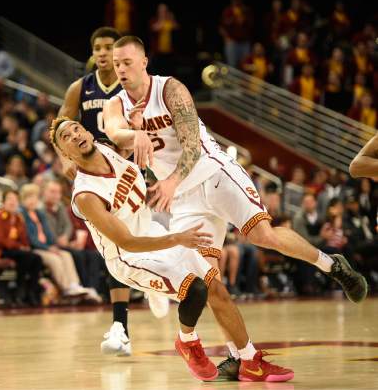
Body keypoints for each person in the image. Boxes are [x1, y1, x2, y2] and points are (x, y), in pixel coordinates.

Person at [103, 35, 368, 378]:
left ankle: (332, 265)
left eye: (127, 62)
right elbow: (114, 131)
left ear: (143, 62)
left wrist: (170, 179)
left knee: (263, 236)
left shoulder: (170, 89)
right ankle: (241, 357)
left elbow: (192, 145)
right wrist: (133, 133)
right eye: (116, 64)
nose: (121, 69)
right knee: (209, 281)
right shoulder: (116, 104)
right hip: (183, 200)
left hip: (214, 174)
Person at [50, 117, 294, 382]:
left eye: (76, 129)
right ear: (65, 154)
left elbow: (136, 148)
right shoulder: (86, 195)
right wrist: (177, 238)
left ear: (87, 132)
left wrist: (138, 130)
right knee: (195, 289)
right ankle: (187, 341)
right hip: (128, 257)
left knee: (216, 288)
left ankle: (250, 361)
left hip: (153, 231)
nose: (74, 135)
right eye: (66, 137)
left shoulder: (108, 149)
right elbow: (127, 241)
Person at [59, 27, 168, 356]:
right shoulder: (80, 87)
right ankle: (120, 325)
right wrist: (64, 158)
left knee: (134, 236)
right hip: (94, 170)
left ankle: (153, 283)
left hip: (125, 162)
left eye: (109, 47)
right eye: (98, 48)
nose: (104, 53)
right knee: (113, 245)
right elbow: (61, 123)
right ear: (92, 53)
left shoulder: (128, 82)